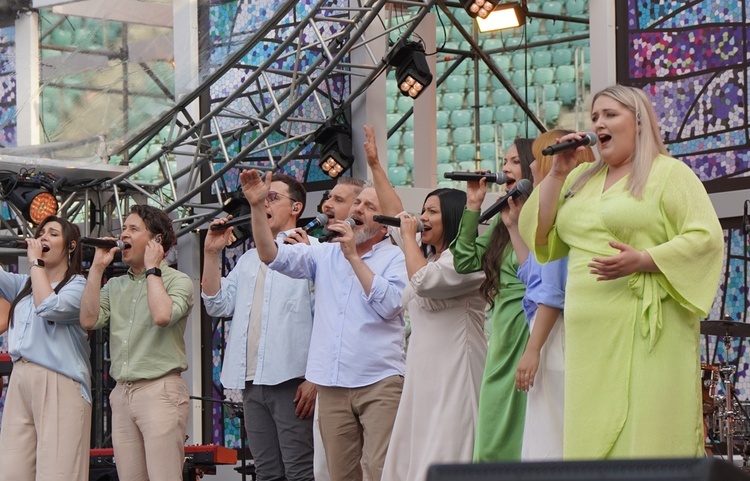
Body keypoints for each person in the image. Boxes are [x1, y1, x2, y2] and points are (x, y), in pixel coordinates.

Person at [518, 85, 724, 458]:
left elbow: (706, 238)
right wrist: (557, 174)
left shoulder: (669, 173)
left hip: (646, 329)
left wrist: (644, 260)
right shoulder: (581, 181)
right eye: (595, 117)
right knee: (590, 437)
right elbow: (541, 235)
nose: (599, 123)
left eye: (610, 114)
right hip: (588, 337)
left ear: (640, 122)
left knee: (644, 435)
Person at [242, 168, 406, 481]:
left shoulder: (396, 259)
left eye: (369, 207)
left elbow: (388, 306)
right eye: (357, 204)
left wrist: (354, 259)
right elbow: (270, 255)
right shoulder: (325, 253)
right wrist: (255, 207)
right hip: (332, 385)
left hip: (379, 381)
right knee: (340, 474)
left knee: (381, 471)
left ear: (386, 226)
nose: (358, 210)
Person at [362, 125, 487, 481]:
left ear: (451, 216)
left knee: (448, 447)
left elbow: (424, 283)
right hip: (423, 371)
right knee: (416, 453)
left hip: (456, 368)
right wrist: (374, 165)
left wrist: (407, 237)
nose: (423, 218)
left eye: (432, 211)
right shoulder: (429, 258)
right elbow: (396, 213)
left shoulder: (466, 262)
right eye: (423, 210)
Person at [202, 173, 316, 481]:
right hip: (251, 380)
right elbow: (217, 304)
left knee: (300, 471)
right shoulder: (249, 259)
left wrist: (315, 378)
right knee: (266, 473)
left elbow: (325, 319)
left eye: (273, 197)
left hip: (294, 380)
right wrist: (211, 253)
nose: (265, 203)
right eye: (262, 198)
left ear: (296, 207)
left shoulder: (313, 251)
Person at [80, 204, 194, 480]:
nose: (124, 234)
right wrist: (96, 268)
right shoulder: (115, 285)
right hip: (122, 393)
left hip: (160, 390)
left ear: (156, 240)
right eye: (123, 229)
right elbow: (87, 320)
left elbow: (162, 315)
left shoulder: (178, 281)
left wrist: (153, 269)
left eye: (133, 229)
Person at [450, 137, 535, 461]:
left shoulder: (545, 215)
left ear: (529, 167)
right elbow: (465, 261)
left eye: (514, 161)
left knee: (529, 421)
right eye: (504, 162)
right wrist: (474, 204)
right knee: (493, 420)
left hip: (533, 325)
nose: (504, 168)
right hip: (503, 330)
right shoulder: (504, 219)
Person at [512, 130, 593, 460]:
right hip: (553, 332)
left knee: (549, 433)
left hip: (554, 335)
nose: (530, 165)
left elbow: (550, 292)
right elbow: (532, 274)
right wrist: (512, 227)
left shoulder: (562, 211)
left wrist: (533, 350)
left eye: (534, 156)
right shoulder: (560, 211)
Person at [0, 216, 90, 481]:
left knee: (58, 473)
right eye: (41, 233)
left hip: (60, 378)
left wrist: (35, 263)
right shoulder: (23, 287)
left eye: (53, 234)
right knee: (11, 471)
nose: (44, 238)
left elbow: (48, 306)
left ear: (70, 246)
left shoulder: (78, 286)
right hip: (20, 377)